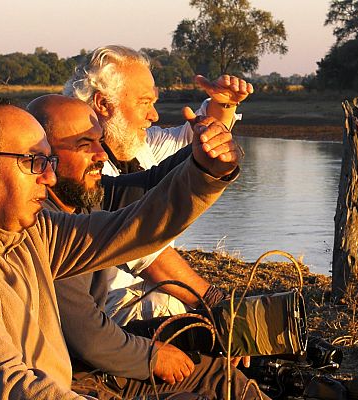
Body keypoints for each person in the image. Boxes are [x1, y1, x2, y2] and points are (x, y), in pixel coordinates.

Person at [0, 97, 243, 399]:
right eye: (35, 162)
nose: (49, 177)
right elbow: (14, 387)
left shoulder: (28, 232)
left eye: (49, 161)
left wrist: (203, 172)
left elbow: (131, 230)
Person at [27, 94, 265, 399]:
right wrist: (152, 356)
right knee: (205, 388)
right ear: (43, 156)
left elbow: (149, 184)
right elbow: (86, 337)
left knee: (214, 364)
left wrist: (205, 158)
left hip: (91, 357)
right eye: (85, 145)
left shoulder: (78, 198)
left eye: (100, 141)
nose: (101, 155)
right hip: (68, 377)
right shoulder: (43, 224)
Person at [64, 45, 254, 324]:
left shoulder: (141, 144)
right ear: (103, 104)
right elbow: (148, 254)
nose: (154, 115)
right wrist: (218, 304)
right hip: (96, 309)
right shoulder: (75, 165)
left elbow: (195, 143)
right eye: (144, 103)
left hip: (141, 297)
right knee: (168, 308)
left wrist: (223, 106)